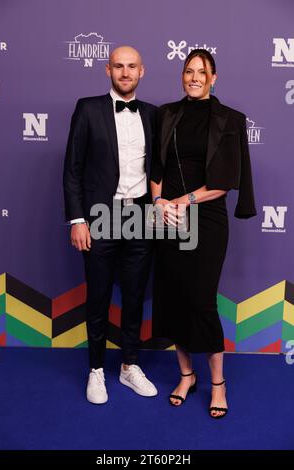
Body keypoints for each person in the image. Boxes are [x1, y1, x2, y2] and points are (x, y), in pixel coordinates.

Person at [151, 49, 256, 418]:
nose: (194, 77)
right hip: (169, 220)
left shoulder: (229, 119)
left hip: (206, 220)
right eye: (188, 71)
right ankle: (186, 375)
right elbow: (156, 167)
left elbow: (224, 182)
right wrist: (159, 201)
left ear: (214, 78)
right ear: (182, 75)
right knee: (174, 296)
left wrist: (181, 200)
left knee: (201, 300)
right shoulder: (166, 114)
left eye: (202, 72)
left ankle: (217, 383)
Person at [63, 46, 157, 404]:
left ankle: (129, 365)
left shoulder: (152, 114)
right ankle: (97, 370)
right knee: (99, 296)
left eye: (132, 66)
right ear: (108, 70)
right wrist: (77, 219)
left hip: (140, 216)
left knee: (134, 296)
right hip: (100, 216)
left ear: (142, 71)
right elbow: (72, 168)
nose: (125, 72)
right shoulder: (87, 109)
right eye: (118, 66)